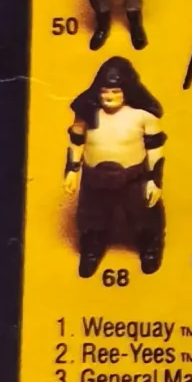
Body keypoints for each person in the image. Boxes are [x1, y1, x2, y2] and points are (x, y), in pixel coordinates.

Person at [65, 58, 164, 276]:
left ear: (126, 90)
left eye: (115, 91)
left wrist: (154, 180)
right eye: (104, 91)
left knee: (144, 216)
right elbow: (76, 140)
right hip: (94, 178)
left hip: (133, 177)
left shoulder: (143, 115)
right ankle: (91, 250)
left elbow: (155, 148)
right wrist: (72, 169)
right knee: (91, 218)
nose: (109, 96)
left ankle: (149, 247)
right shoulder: (87, 111)